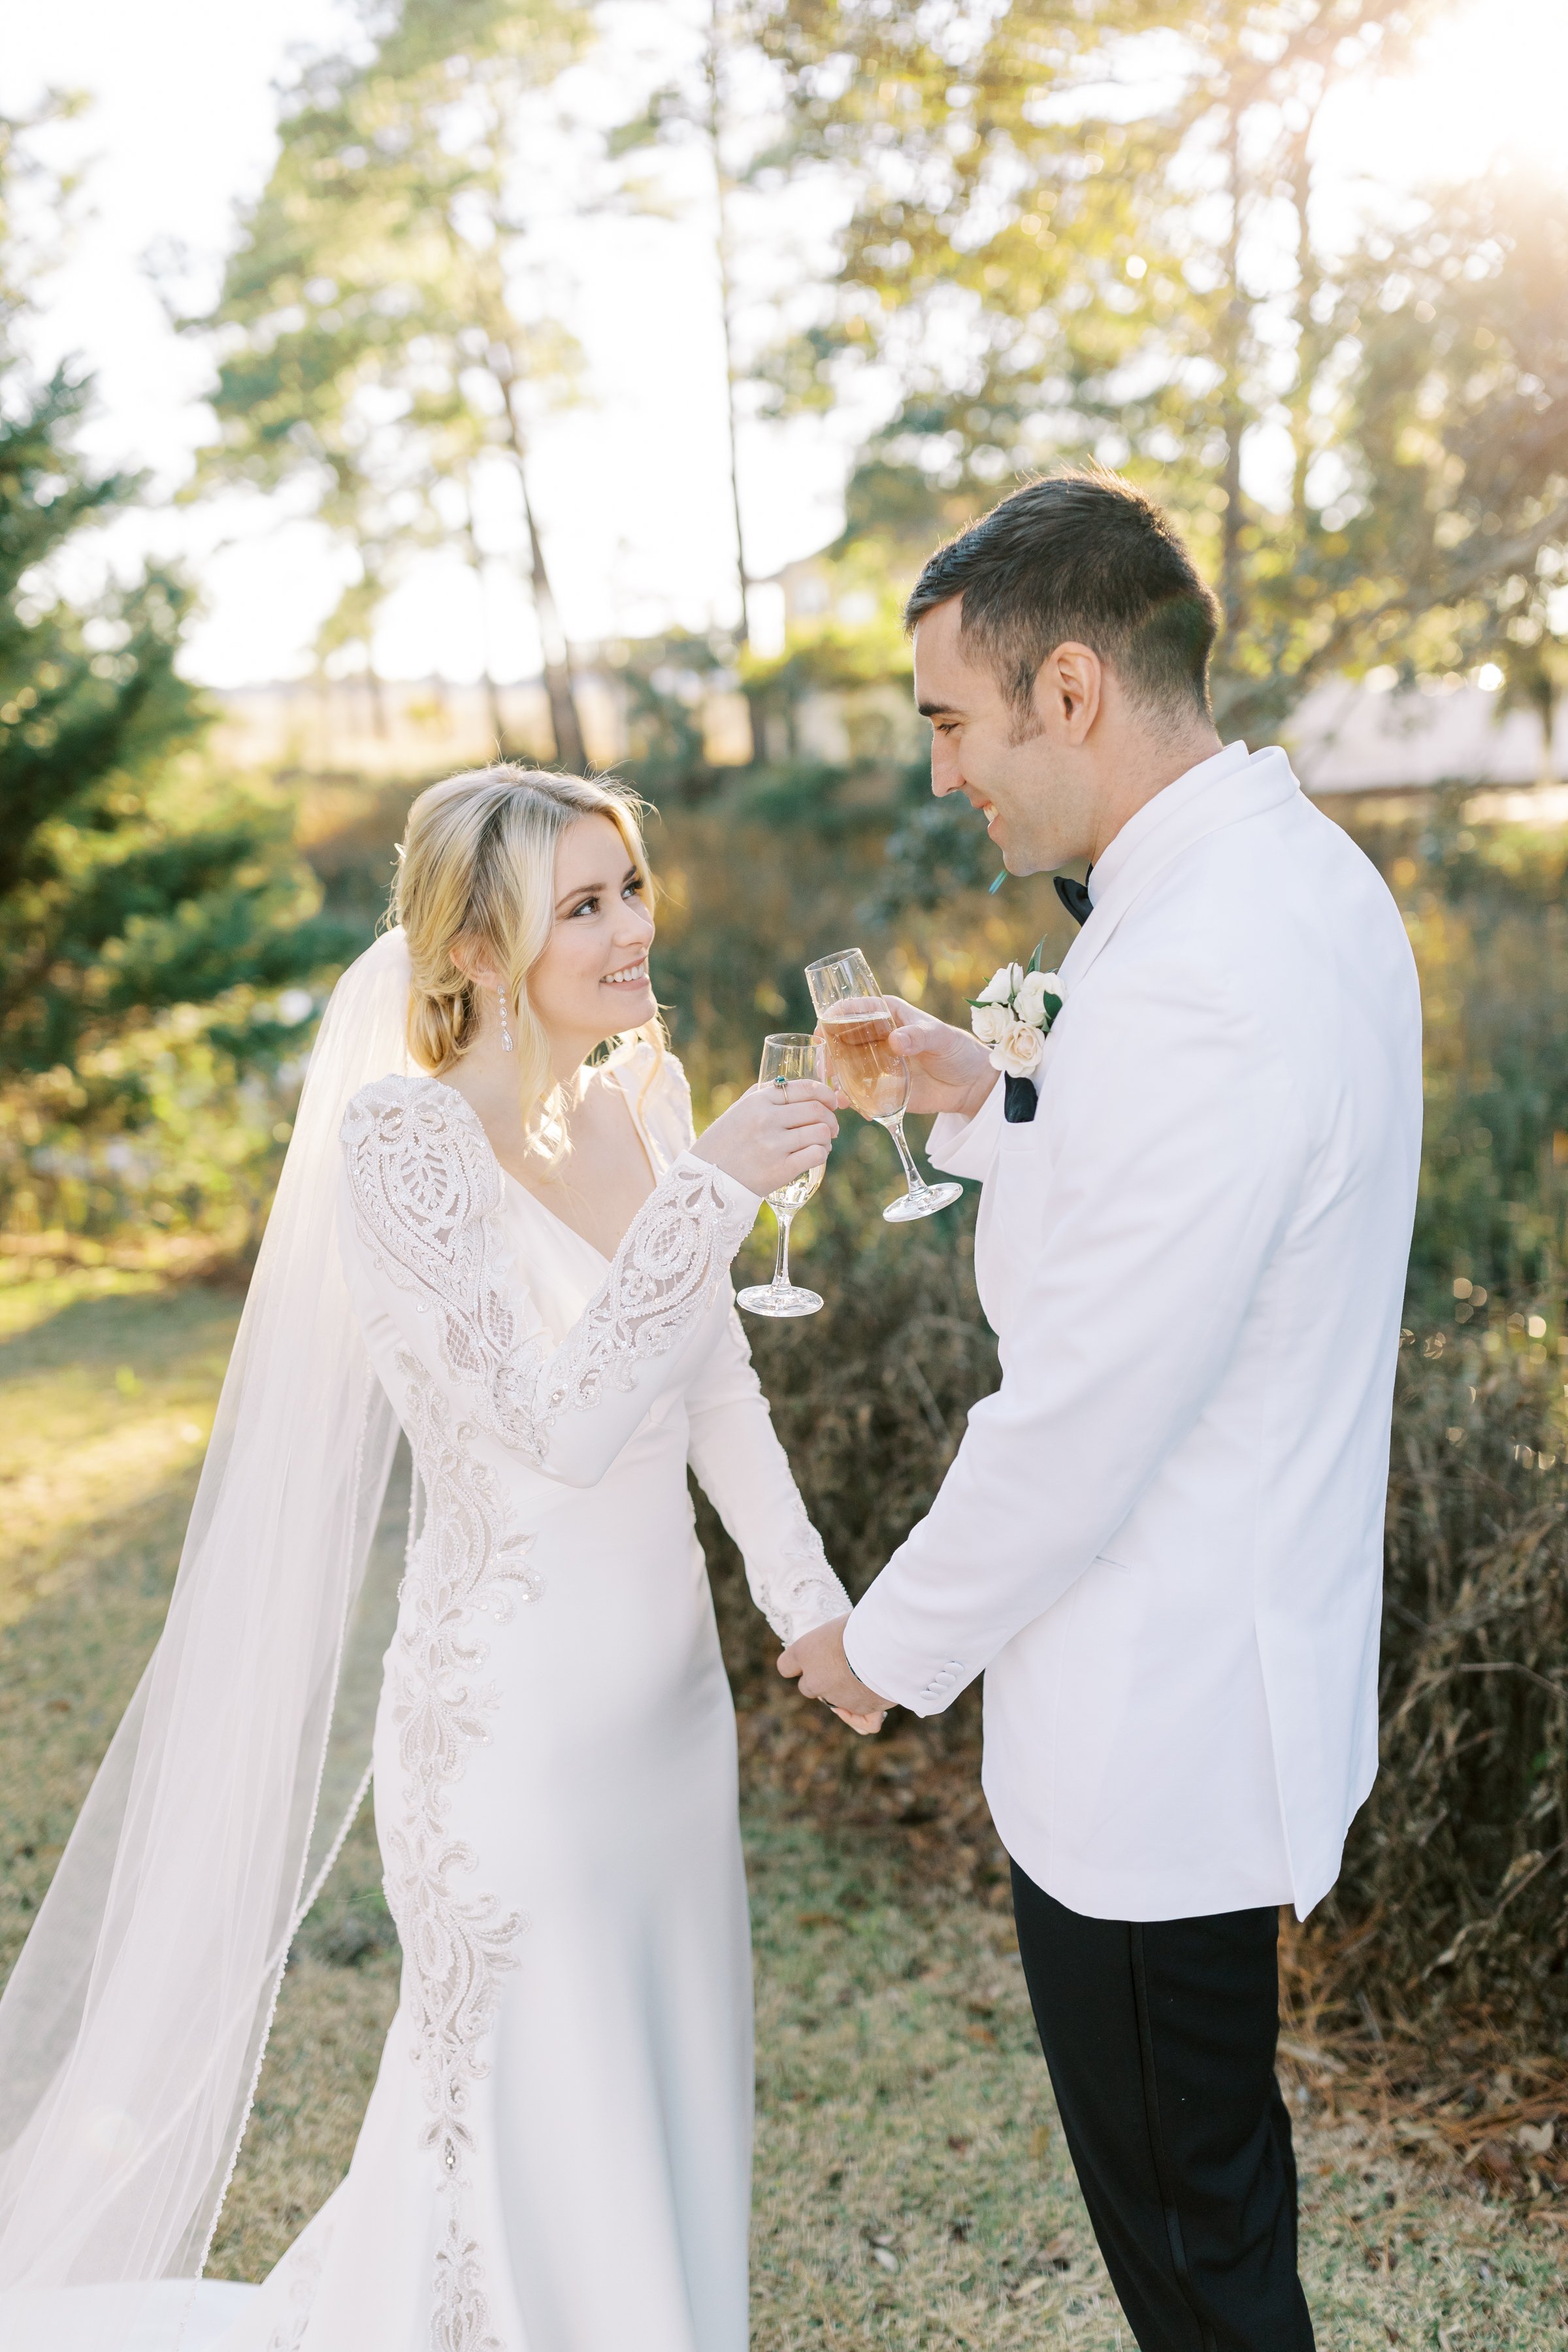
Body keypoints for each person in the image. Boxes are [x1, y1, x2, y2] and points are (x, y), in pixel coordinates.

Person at [0, 766, 865, 2352]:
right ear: (475, 947)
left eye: (631, 889)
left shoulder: (642, 1101)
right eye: (582, 905)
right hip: (510, 1729)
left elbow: (706, 1385)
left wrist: (814, 1607)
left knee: (660, 2081)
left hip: (667, 1714)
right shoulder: (402, 1147)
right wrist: (715, 1194)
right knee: (521, 2105)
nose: (631, 929)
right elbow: (551, 1429)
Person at [780, 468, 1422, 2350]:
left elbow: (1086, 1410)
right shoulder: (1271, 878)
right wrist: (994, 1096)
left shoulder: (1208, 967)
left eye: (953, 726)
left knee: (1203, 2274)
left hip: (1161, 1736)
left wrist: (885, 1648)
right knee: (1212, 2223)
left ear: (1069, 691)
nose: (941, 775)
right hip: (1216, 1682)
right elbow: (1191, 1218)